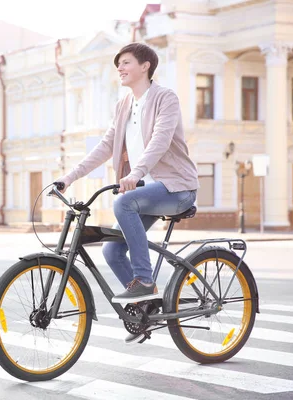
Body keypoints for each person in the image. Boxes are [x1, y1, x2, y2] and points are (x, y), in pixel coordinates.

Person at [55, 43, 199, 342]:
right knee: (111, 248)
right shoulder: (123, 106)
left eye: (126, 62)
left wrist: (134, 173)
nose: (120, 68)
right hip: (146, 191)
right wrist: (69, 177)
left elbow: (160, 140)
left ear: (145, 66)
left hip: (177, 187)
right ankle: (144, 307)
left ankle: (144, 281)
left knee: (124, 202)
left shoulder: (165, 98)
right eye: (118, 64)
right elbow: (105, 147)